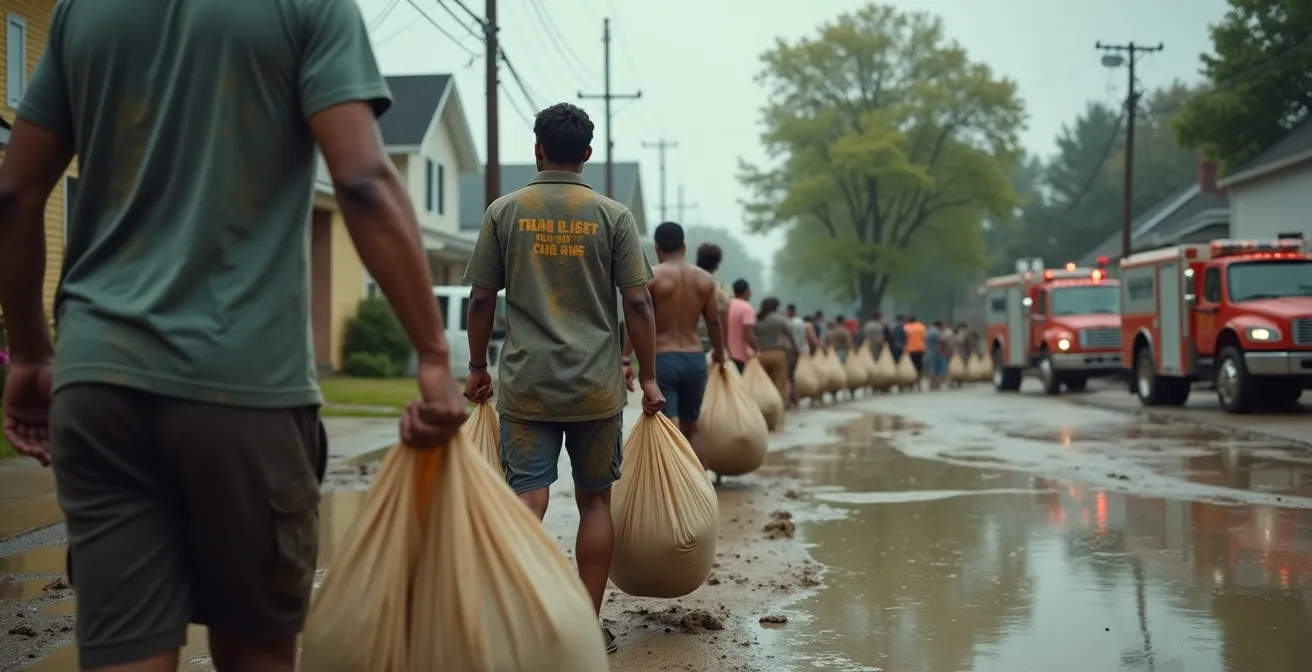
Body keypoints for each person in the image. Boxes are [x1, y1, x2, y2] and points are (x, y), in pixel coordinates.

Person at [0, 2, 470, 669]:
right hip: (247, 388)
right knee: (256, 653)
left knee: (122, 650)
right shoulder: (307, 7)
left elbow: (15, 196)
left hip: (101, 383)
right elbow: (363, 179)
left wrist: (28, 354)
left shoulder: (83, 11)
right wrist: (431, 351)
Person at [462, 102, 661, 654]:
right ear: (588, 157)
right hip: (596, 388)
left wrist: (478, 367)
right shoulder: (612, 216)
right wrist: (648, 378)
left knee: (528, 500)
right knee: (596, 503)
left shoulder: (505, 211)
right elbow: (639, 303)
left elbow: (482, 296)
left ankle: (527, 619)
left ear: (537, 149)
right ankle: (582, 627)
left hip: (527, 389)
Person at [621, 222, 725, 459]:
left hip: (664, 360)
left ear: (657, 248)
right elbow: (713, 322)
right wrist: (720, 353)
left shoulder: (652, 277)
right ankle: (698, 487)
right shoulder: (706, 280)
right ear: (685, 246)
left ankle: (671, 487)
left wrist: (626, 358)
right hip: (695, 360)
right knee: (691, 427)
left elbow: (637, 319)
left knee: (665, 428)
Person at [754, 298, 799, 406]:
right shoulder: (780, 320)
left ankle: (763, 404)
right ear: (775, 307)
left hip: (760, 354)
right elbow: (790, 336)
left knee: (763, 381)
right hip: (777, 354)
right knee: (780, 382)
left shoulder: (756, 319)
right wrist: (796, 349)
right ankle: (779, 405)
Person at [725, 280, 758, 372]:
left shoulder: (727, 305)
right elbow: (748, 333)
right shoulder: (747, 308)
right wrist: (757, 349)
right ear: (747, 291)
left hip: (726, 354)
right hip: (741, 356)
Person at [903, 316, 927, 389]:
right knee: (919, 366)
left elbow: (904, 338)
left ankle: (911, 383)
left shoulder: (906, 327)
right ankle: (918, 382)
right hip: (920, 348)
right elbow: (924, 337)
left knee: (911, 366)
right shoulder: (921, 326)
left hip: (909, 349)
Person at [925, 320, 945, 390]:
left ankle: (931, 384)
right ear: (939, 325)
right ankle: (936, 384)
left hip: (928, 351)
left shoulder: (928, 331)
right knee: (936, 368)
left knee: (931, 368)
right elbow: (941, 341)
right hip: (936, 351)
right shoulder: (937, 332)